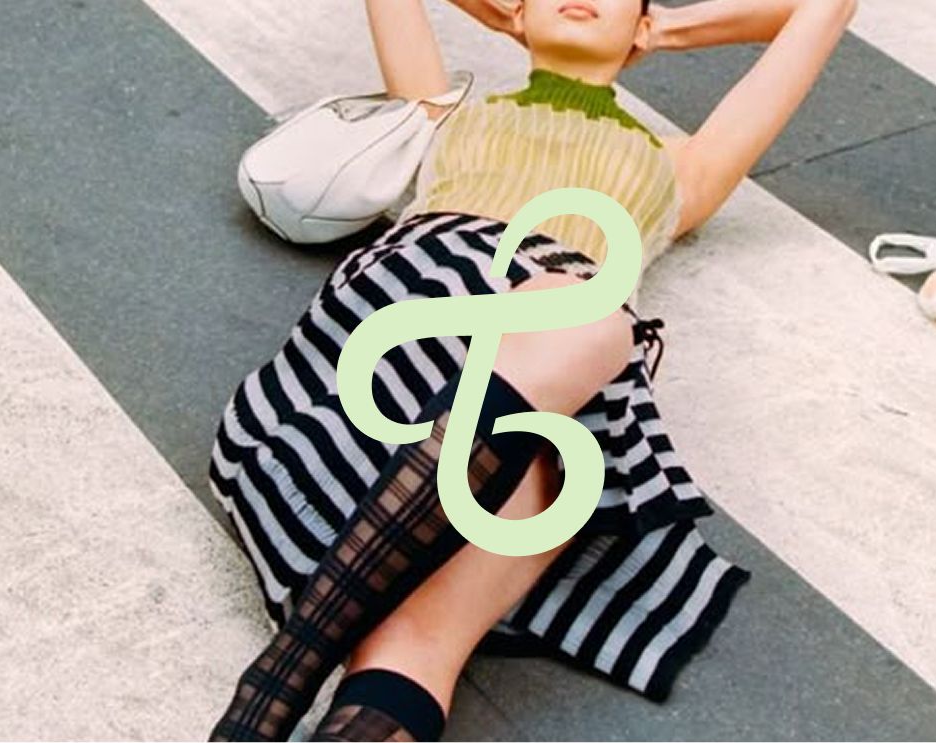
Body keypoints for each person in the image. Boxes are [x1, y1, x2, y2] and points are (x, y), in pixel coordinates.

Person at [207, 0, 855, 739]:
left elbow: (827, 8)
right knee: (586, 315)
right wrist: (519, 17)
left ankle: (280, 680)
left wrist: (663, 30)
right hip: (401, 340)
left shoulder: (681, 166)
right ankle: (287, 668)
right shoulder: (447, 112)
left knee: (417, 642)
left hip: (541, 400)